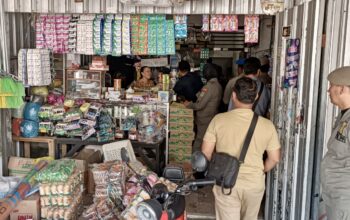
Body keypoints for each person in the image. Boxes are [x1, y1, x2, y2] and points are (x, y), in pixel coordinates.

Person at [201, 77, 281, 220]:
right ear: (256, 97)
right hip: (254, 185)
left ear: (233, 95)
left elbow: (206, 153)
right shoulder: (267, 125)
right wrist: (258, 170)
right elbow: (274, 158)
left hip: (226, 183)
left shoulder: (218, 120)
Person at [321, 66, 350, 219]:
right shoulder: (343, 116)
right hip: (335, 198)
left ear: (342, 89)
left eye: (332, 85)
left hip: (346, 201)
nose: (328, 90)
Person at [184, 64, 222, 152]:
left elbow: (200, 105)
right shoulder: (217, 85)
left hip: (204, 118)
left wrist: (188, 105)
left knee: (199, 140)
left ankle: (194, 161)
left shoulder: (209, 86)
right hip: (211, 116)